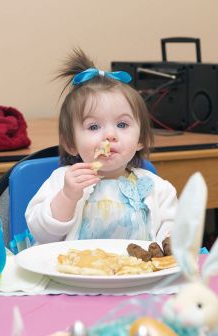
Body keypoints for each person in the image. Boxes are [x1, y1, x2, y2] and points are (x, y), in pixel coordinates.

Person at [25, 48, 178, 244]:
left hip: (135, 273)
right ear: (71, 143)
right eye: (94, 126)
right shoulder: (62, 181)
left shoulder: (158, 190)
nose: (109, 136)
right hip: (74, 271)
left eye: (122, 125)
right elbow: (43, 235)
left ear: (141, 139)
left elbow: (173, 237)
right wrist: (68, 196)